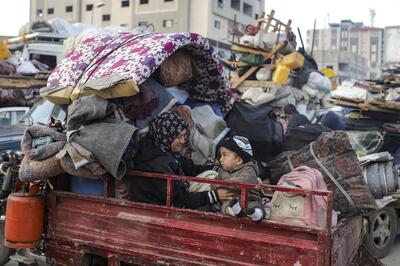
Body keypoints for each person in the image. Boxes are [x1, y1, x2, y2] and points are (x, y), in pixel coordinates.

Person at [130, 111, 232, 210]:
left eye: (184, 136)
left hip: (179, 195)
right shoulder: (156, 163)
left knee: (214, 174)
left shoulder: (166, 150)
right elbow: (179, 200)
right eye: (178, 137)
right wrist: (214, 196)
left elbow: (190, 169)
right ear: (166, 136)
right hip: (157, 211)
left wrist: (218, 168)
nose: (183, 141)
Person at [212, 136, 265, 222]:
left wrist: (224, 183)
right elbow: (213, 182)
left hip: (249, 199)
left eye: (224, 155)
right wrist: (216, 187)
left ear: (239, 160)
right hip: (231, 200)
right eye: (220, 155)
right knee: (225, 206)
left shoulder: (249, 169)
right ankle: (235, 212)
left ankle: (256, 215)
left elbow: (244, 181)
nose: (220, 159)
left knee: (256, 205)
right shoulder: (222, 171)